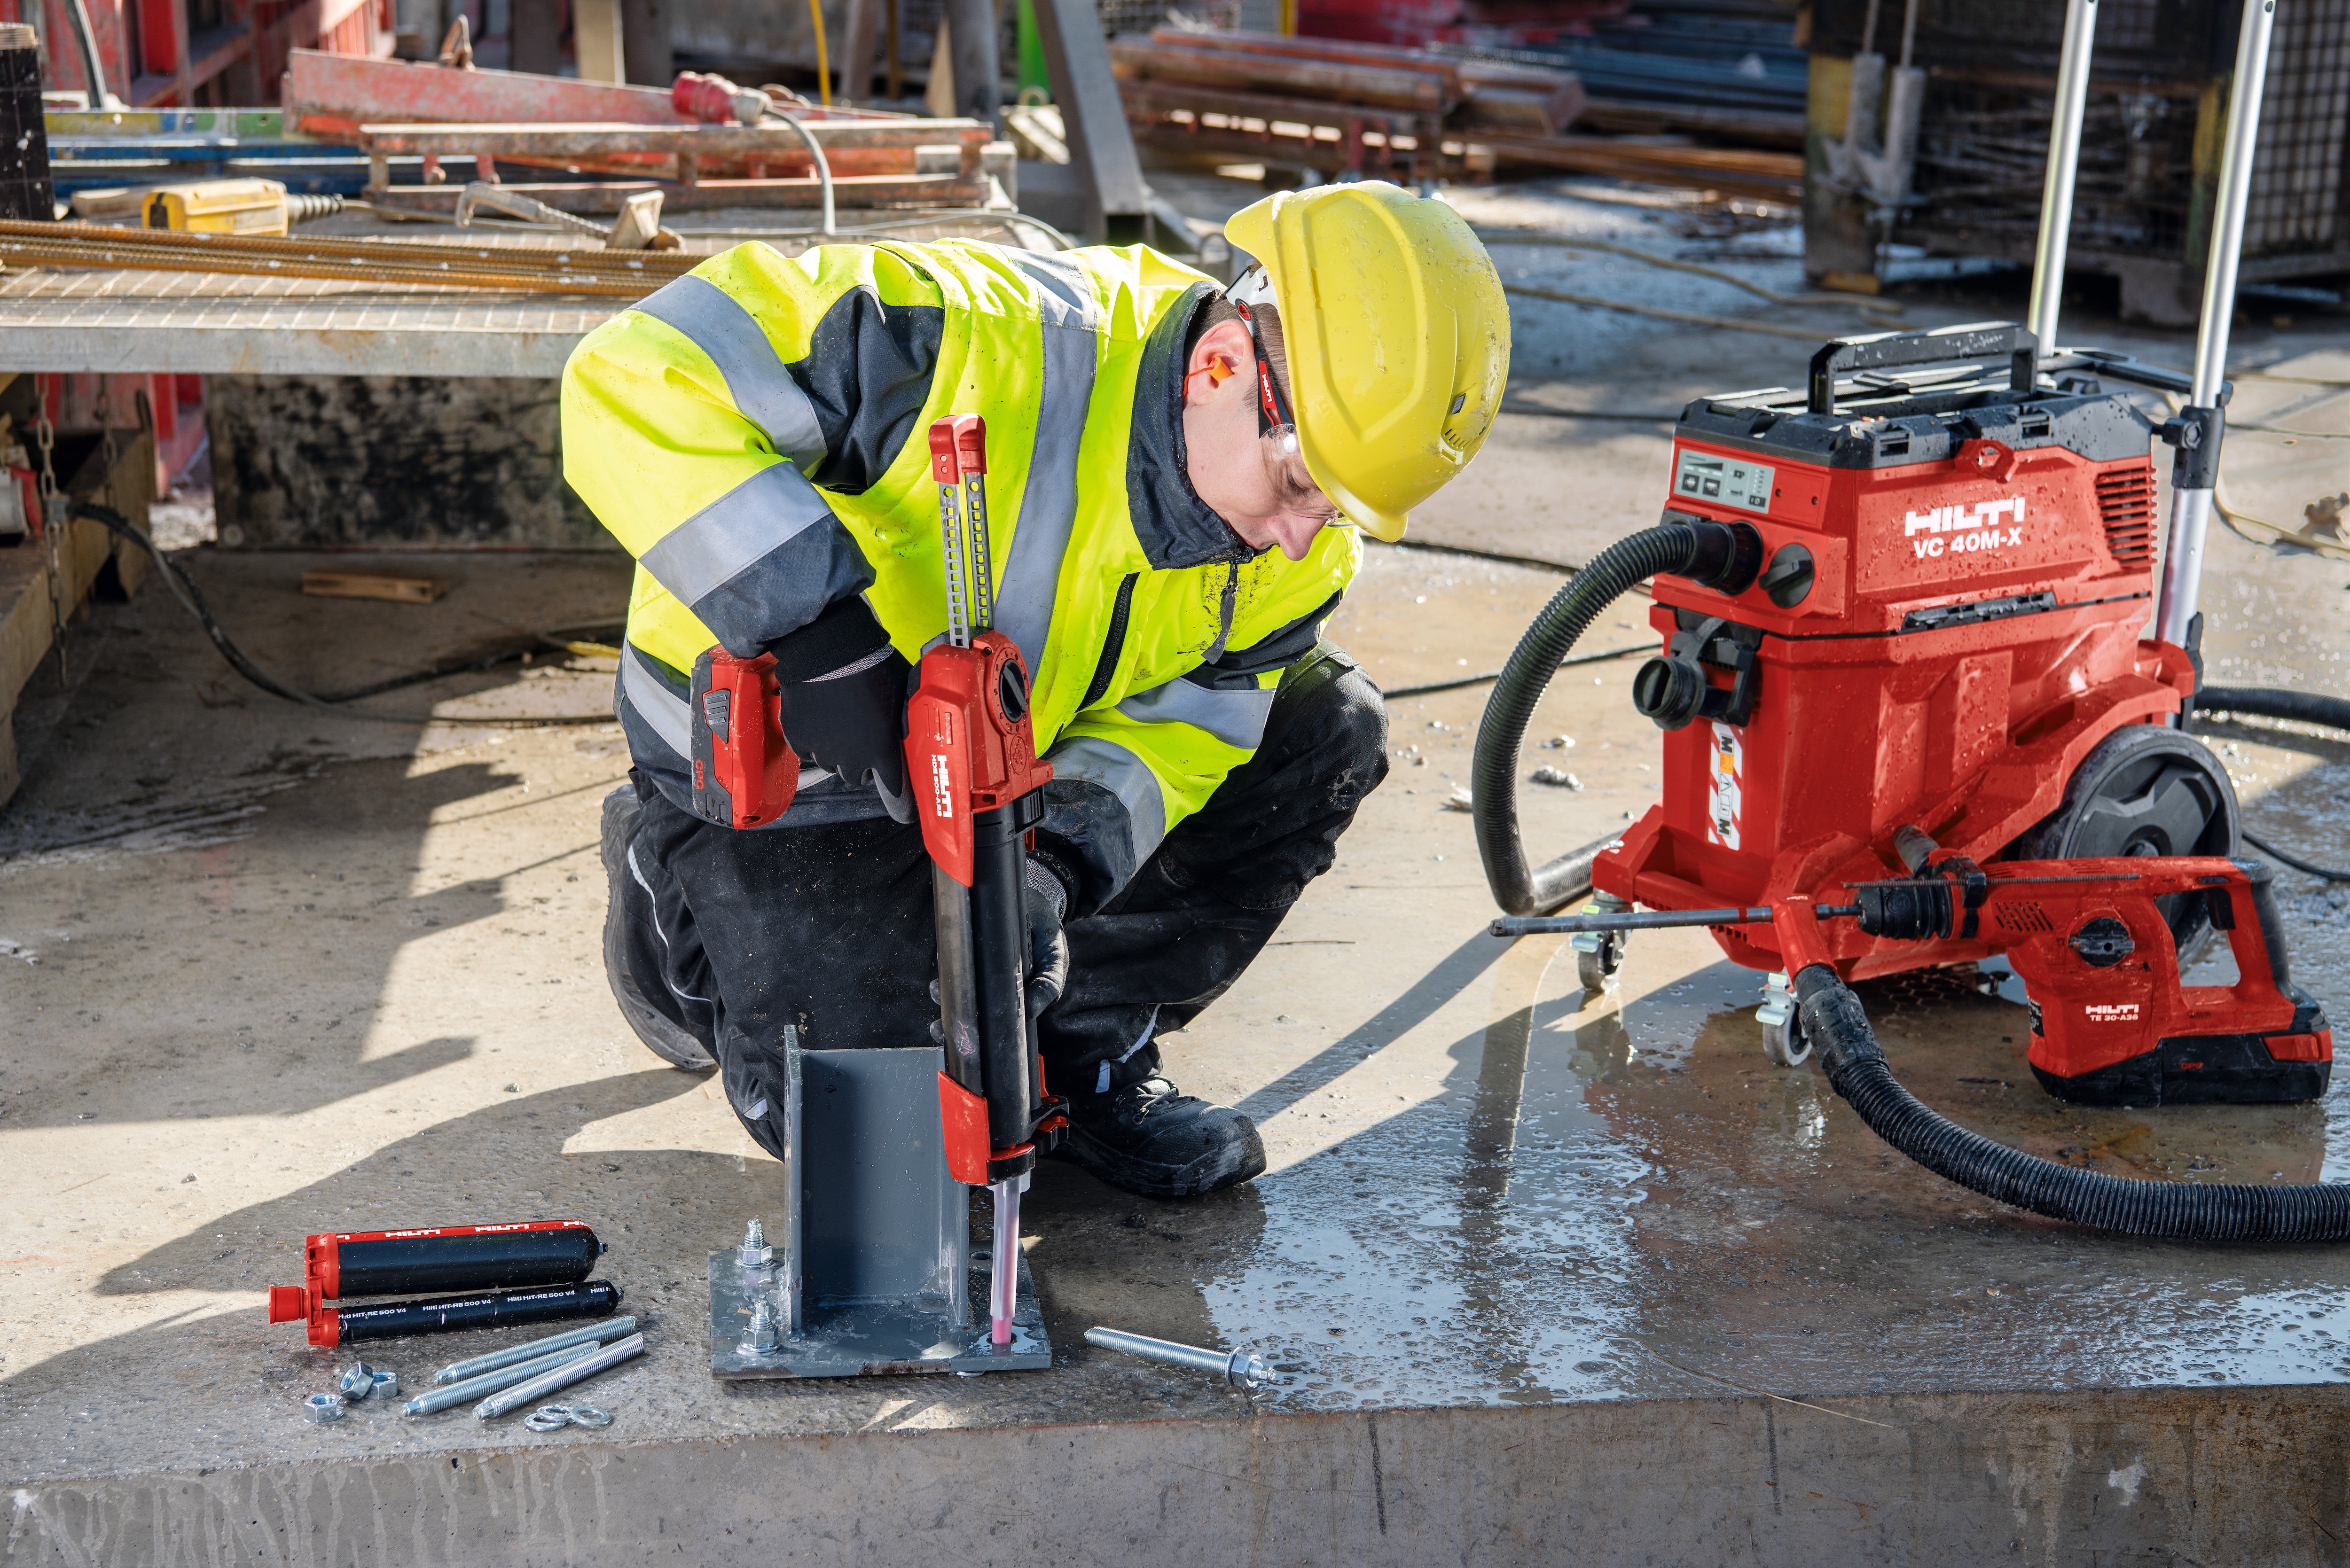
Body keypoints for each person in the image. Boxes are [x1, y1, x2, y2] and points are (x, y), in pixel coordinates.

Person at [563, 181, 1508, 1200]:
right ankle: (673, 904)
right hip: (794, 758)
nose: (1302, 537)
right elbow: (632, 373)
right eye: (1297, 486)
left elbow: (1190, 727)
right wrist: (814, 633)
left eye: (1342, 511)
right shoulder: (950, 333)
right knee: (872, 1153)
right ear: (1221, 365)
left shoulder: (1301, 549)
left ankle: (1084, 1052)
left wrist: (1054, 869)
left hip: (1008, 769)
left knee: (1325, 724)